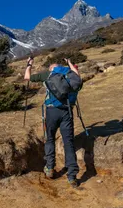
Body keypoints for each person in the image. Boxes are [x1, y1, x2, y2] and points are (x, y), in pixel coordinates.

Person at [25, 58, 81, 189]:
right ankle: (72, 176)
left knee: (49, 138)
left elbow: (27, 77)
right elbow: (78, 79)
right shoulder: (70, 75)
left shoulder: (48, 75)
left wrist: (29, 64)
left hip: (51, 112)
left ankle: (50, 168)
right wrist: (70, 63)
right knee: (69, 143)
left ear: (51, 69)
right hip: (67, 111)